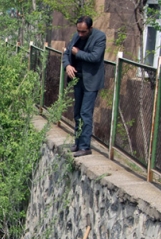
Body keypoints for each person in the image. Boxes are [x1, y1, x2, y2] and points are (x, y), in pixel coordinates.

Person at [62, 15, 106, 158]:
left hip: (91, 81)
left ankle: (85, 146)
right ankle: (77, 143)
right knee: (77, 112)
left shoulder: (100, 38)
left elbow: (94, 57)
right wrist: (67, 65)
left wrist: (77, 53)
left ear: (90, 28)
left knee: (86, 113)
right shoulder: (76, 37)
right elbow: (66, 53)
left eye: (83, 32)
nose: (80, 34)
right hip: (77, 79)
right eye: (78, 31)